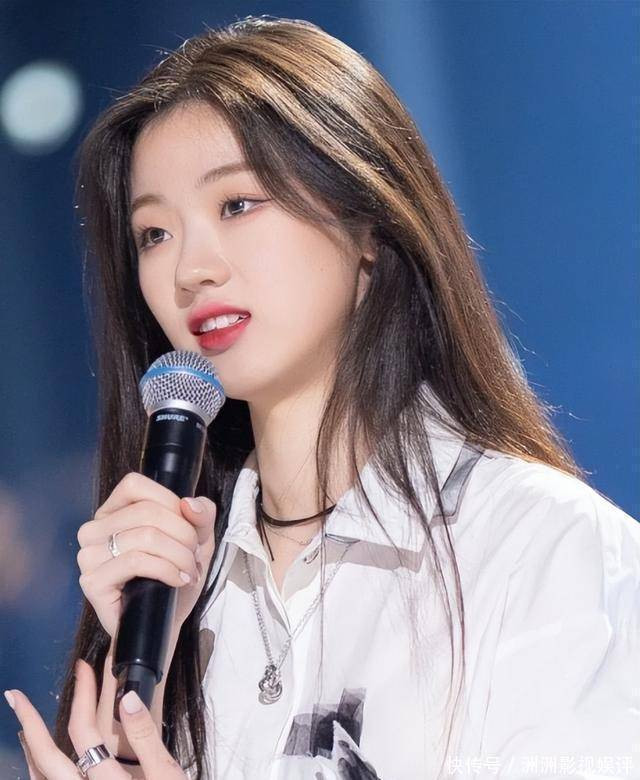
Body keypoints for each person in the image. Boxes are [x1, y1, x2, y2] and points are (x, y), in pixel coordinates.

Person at [4, 14, 639, 780]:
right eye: (154, 234)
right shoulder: (176, 593)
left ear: (367, 219)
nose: (191, 269)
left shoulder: (541, 548)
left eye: (237, 204)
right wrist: (141, 708)